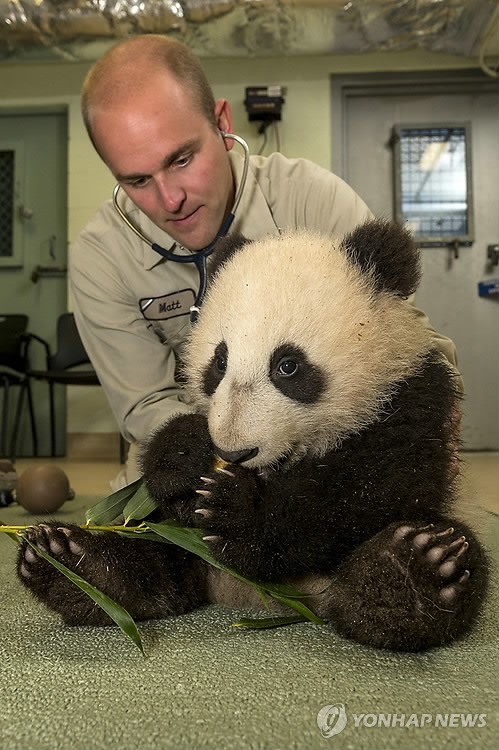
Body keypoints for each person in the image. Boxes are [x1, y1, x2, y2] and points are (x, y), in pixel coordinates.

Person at [70, 34, 462, 488]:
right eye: (137, 180)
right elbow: (145, 407)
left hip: (324, 454)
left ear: (221, 122)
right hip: (195, 459)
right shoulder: (101, 258)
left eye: (181, 159)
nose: (170, 199)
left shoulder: (309, 201)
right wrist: (225, 456)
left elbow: (401, 343)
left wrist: (431, 406)